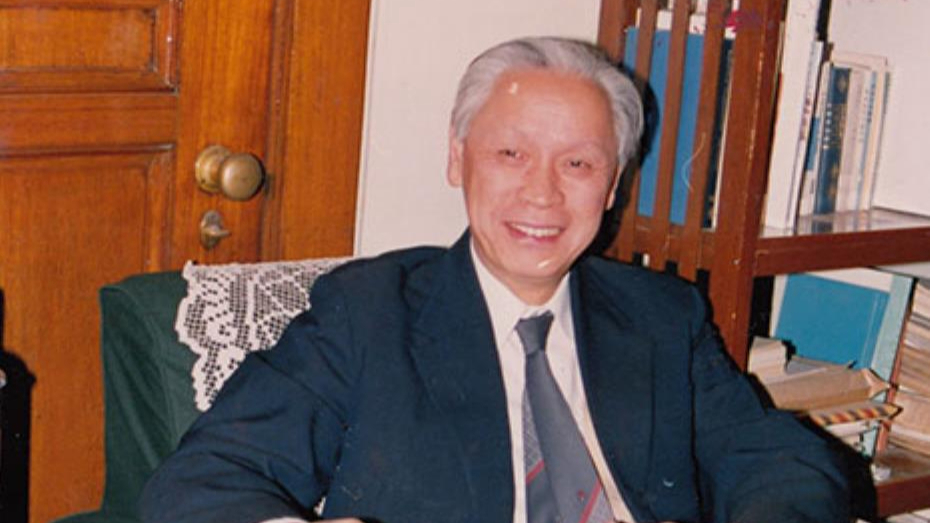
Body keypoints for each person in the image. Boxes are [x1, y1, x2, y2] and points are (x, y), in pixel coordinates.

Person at [141, 36, 851, 523]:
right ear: (458, 159)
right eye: (511, 153)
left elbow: (778, 459)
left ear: (612, 187)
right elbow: (206, 478)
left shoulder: (661, 314)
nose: (543, 193)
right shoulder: (369, 313)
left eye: (579, 164)